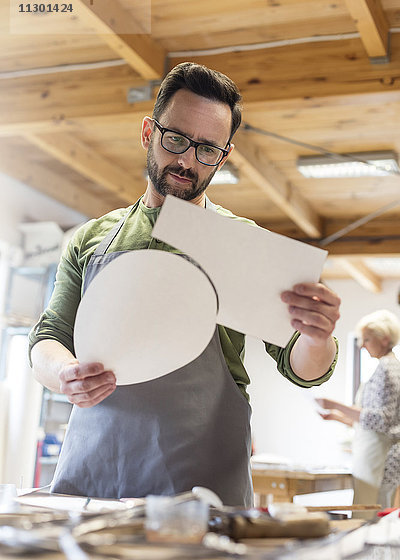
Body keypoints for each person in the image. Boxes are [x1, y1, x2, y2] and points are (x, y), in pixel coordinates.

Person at [29, 62, 341, 507]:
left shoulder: (239, 244)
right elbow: (47, 339)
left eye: (207, 150)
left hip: (202, 496)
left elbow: (302, 366)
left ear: (225, 155)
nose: (186, 161)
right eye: (175, 139)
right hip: (94, 483)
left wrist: (318, 335)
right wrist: (64, 374)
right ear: (147, 132)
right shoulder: (93, 238)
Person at [316, 309, 400, 511]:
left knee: (371, 516)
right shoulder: (391, 366)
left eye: (367, 340)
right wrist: (338, 417)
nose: (362, 345)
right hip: (381, 455)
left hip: (380, 460)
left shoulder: (386, 368)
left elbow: (381, 420)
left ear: (384, 339)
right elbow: (375, 420)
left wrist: (334, 404)